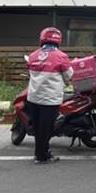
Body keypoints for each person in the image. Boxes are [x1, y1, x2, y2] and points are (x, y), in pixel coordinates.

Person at [26, 27, 73, 165]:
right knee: (46, 129)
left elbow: (30, 73)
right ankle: (42, 156)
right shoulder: (61, 56)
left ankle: (40, 154)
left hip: (33, 98)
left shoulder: (33, 55)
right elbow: (68, 75)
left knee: (38, 127)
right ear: (58, 40)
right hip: (50, 99)